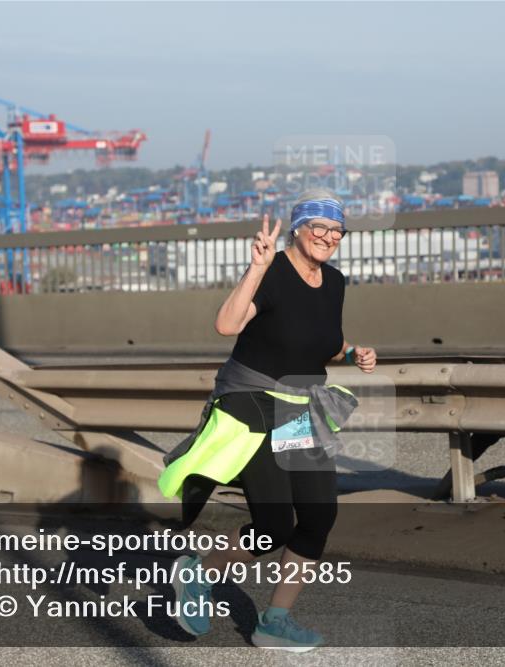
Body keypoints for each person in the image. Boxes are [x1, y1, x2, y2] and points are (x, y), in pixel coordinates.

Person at [157, 189, 377, 652]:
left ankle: (274, 621)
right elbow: (227, 325)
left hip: (299, 410)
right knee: (274, 525)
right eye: (319, 227)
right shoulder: (273, 271)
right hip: (254, 404)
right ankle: (198, 571)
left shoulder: (334, 282)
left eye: (337, 230)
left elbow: (321, 340)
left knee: (319, 516)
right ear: (298, 229)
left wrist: (353, 352)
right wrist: (256, 268)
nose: (329, 237)